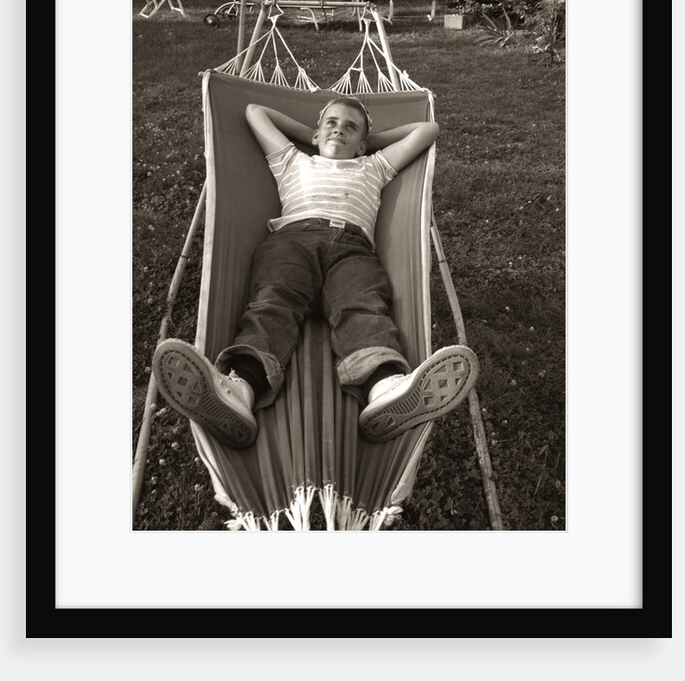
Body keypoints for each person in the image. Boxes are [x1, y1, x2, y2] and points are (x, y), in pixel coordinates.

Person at [152, 96, 479, 449]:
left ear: (363, 144)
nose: (339, 129)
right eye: (332, 123)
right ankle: (241, 389)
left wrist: (368, 141)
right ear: (316, 133)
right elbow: (254, 112)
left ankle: (384, 388)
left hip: (352, 249)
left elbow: (428, 129)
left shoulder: (375, 166)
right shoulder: (291, 160)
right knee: (272, 302)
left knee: (363, 306)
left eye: (350, 127)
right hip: (292, 240)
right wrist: (311, 134)